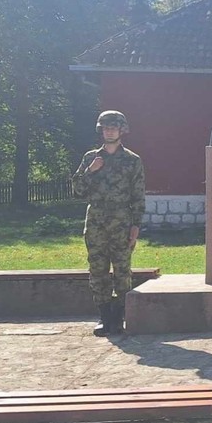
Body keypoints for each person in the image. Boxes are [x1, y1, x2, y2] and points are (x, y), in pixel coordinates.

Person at [72, 110, 145, 336]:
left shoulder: (132, 160)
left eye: (113, 127)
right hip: (96, 222)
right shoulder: (90, 158)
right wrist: (90, 171)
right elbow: (77, 190)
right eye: (106, 127)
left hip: (122, 222)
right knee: (98, 270)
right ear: (101, 130)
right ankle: (104, 317)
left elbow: (138, 196)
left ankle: (119, 317)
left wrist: (135, 226)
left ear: (122, 130)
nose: (110, 131)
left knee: (122, 271)